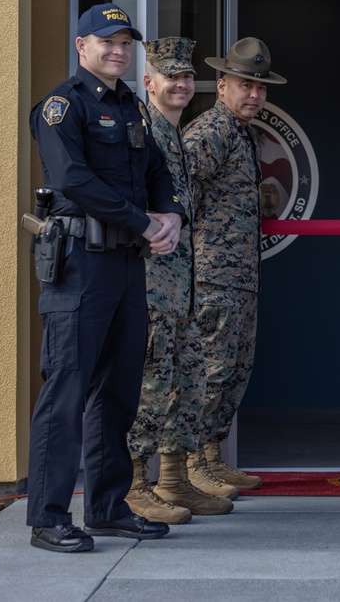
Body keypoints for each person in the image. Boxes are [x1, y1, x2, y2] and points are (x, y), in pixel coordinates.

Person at [26, 3, 185, 552]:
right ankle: (48, 518)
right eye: (106, 41)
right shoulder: (60, 107)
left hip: (125, 265)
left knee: (118, 392)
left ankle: (108, 506)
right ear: (82, 46)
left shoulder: (133, 108)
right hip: (80, 264)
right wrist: (144, 221)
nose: (117, 51)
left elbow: (157, 172)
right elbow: (73, 179)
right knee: (67, 389)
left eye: (125, 43)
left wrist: (171, 215)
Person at [124, 37, 234, 523]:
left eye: (188, 77)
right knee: (148, 387)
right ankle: (132, 487)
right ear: (149, 82)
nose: (182, 84)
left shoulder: (176, 135)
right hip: (150, 287)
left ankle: (174, 483)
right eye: (172, 76)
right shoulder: (141, 134)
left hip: (184, 288)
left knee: (185, 383)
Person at [182, 37, 286, 497]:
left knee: (234, 369)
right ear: (222, 85)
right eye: (245, 85)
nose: (254, 95)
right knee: (211, 368)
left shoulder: (244, 133)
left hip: (239, 277)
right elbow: (179, 200)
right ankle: (189, 465)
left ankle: (211, 458)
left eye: (261, 88)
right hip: (210, 276)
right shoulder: (210, 133)